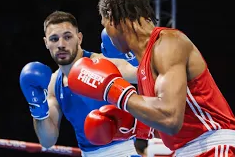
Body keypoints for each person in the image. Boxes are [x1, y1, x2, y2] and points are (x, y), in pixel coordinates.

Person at [67, 0, 235, 157]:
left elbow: (170, 119)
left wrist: (113, 90)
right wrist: (135, 128)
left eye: (104, 23)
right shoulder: (144, 65)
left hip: (213, 147)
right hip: (186, 150)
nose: (106, 31)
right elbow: (175, 125)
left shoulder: (168, 44)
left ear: (112, 16)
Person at [19, 11, 154, 157]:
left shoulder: (103, 63)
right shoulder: (53, 84)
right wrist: (37, 107)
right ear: (46, 43)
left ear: (79, 38)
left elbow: (148, 74)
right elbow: (47, 141)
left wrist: (132, 56)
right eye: (54, 39)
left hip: (124, 150)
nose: (61, 44)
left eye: (67, 37)